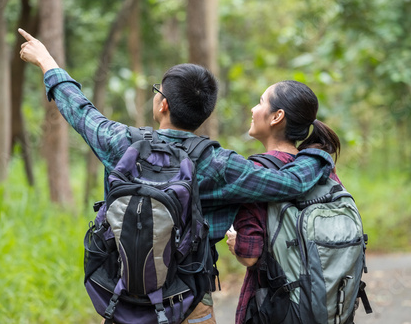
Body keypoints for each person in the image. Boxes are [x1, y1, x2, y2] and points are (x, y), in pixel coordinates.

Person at [18, 28, 335, 324]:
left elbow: (79, 110)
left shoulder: (121, 142)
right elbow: (289, 182)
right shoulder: (218, 164)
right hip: (189, 299)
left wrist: (45, 60)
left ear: (163, 104)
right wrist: (318, 153)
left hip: (120, 298)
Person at [226, 80, 342, 324]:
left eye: (260, 102)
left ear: (277, 116)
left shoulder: (257, 173)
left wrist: (235, 242)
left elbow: (250, 256)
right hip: (320, 301)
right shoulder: (318, 167)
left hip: (275, 307)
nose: (253, 110)